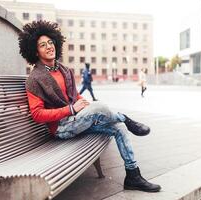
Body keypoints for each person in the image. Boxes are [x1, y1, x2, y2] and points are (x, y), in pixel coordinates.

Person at [18, 20, 161, 192]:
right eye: (42, 45)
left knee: (119, 128)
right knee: (99, 106)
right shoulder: (35, 79)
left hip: (77, 120)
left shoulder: (63, 69)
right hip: (62, 128)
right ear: (35, 51)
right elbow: (37, 114)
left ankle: (133, 175)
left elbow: (73, 95)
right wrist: (71, 109)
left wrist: (82, 104)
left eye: (50, 42)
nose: (49, 46)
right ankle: (126, 117)